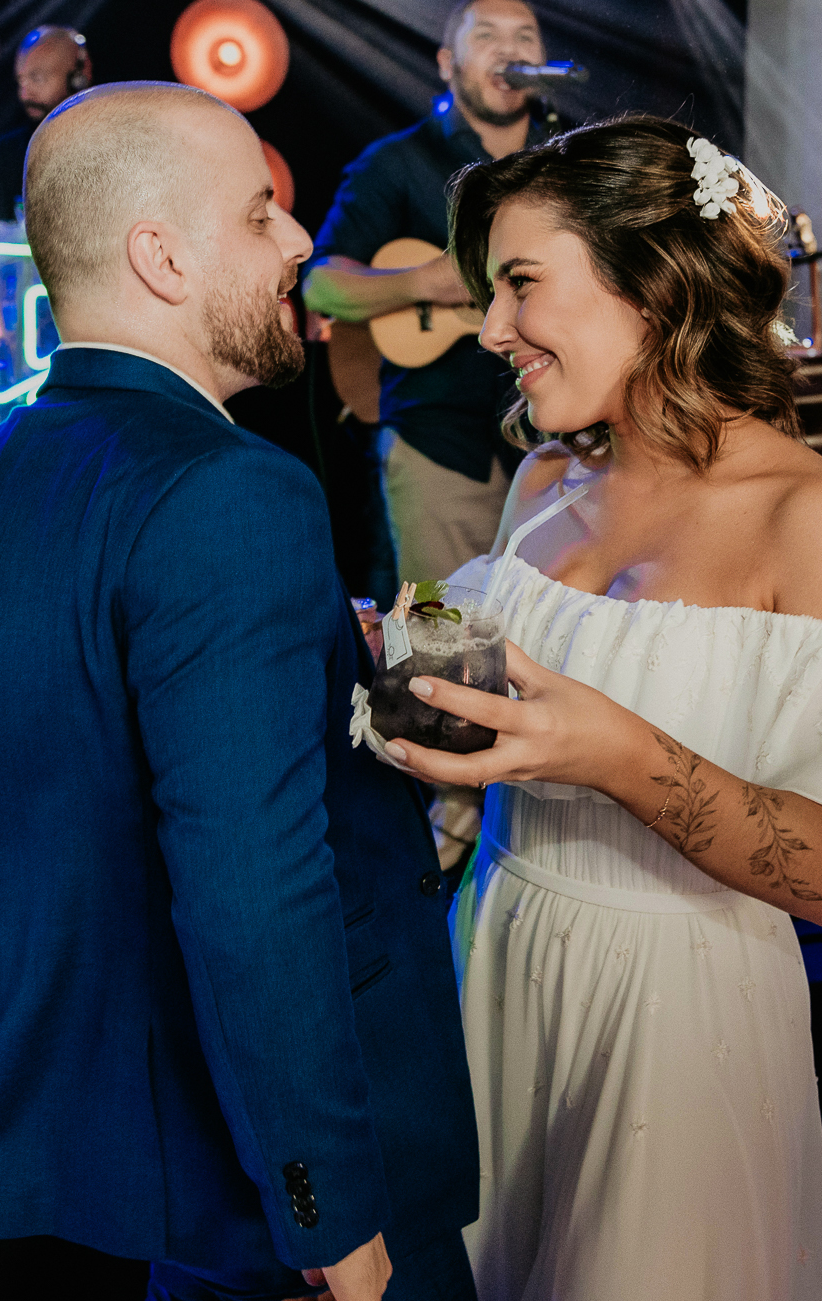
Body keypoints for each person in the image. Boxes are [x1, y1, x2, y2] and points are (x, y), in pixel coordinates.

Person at [0, 83, 484, 1301]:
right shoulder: (230, 492)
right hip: (298, 1168)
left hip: (149, 1155)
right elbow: (250, 882)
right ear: (160, 258)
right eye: (262, 212)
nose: (298, 245)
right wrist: (326, 1202)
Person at [379, 116, 822, 1301]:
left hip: (671, 1014)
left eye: (520, 284)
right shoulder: (543, 481)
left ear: (652, 285)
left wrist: (612, 753)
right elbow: (481, 664)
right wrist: (394, 634)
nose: (489, 329)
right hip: (502, 952)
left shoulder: (811, 518)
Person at [303, 0, 554, 871]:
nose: (510, 50)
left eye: (526, 37)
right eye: (487, 35)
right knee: (446, 635)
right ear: (447, 63)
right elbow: (322, 285)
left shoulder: (564, 163)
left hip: (559, 444)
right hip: (440, 439)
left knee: (547, 630)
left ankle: (539, 804)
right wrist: (430, 281)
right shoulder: (398, 163)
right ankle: (449, 827)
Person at [0, 25, 91, 223]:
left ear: (78, 79)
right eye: (21, 81)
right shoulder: (3, 154)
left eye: (37, 78)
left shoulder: (107, 148)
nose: (25, 93)